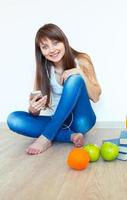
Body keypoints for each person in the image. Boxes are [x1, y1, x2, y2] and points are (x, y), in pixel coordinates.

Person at [7, 23, 101, 155]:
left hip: (81, 120)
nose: (51, 50)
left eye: (55, 43)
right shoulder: (43, 70)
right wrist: (33, 110)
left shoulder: (81, 59)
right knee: (13, 119)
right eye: (45, 47)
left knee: (74, 78)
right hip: (58, 123)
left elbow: (96, 97)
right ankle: (69, 136)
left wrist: (80, 73)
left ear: (64, 42)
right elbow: (37, 110)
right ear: (41, 51)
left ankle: (46, 137)